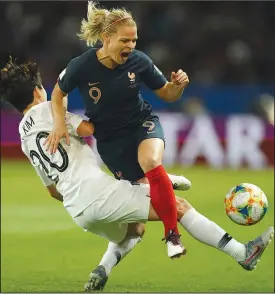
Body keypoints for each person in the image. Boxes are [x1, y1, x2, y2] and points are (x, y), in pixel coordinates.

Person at [1, 59, 273, 292]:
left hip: (77, 210)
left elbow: (52, 191)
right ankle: (243, 253)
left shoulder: (23, 135)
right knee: (177, 206)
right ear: (39, 91)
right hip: (96, 194)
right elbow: (86, 129)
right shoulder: (51, 111)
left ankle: (102, 269)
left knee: (136, 228)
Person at [45, 1, 191, 253]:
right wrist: (59, 124)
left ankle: (172, 236)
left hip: (141, 123)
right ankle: (162, 181)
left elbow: (166, 93)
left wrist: (177, 86)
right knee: (138, 207)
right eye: (125, 41)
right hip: (111, 141)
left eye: (134, 40)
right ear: (106, 38)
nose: (131, 46)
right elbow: (57, 93)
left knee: (151, 163)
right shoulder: (82, 65)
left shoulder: (139, 61)